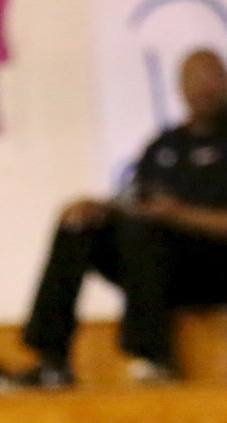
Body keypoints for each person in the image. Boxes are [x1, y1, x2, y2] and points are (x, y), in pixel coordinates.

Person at [17, 48, 227, 386]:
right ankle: (51, 359)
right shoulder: (164, 146)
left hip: (213, 266)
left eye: (211, 76)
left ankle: (152, 355)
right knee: (79, 226)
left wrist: (179, 215)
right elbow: (136, 200)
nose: (202, 87)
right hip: (155, 267)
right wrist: (101, 208)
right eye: (192, 79)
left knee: (146, 230)